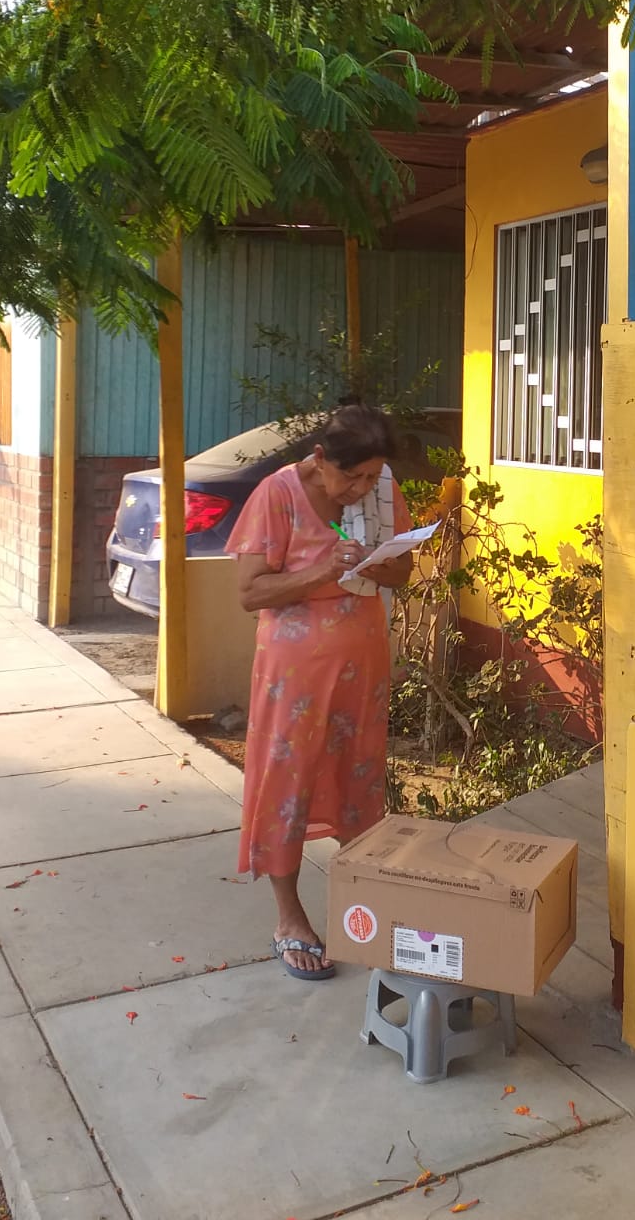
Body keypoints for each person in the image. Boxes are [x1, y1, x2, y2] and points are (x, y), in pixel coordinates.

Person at [226, 404, 414, 979]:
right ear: (319, 458)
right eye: (351, 477)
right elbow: (251, 593)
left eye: (371, 476)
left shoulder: (381, 490)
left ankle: (362, 908)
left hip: (362, 665)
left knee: (357, 776)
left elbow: (402, 571)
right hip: (294, 676)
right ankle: (289, 919)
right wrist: (323, 571)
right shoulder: (278, 494)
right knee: (288, 781)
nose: (361, 489)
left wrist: (376, 565)